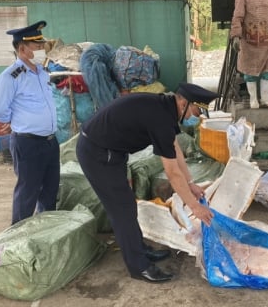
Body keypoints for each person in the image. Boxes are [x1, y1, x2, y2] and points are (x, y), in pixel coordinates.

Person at [75, 82, 217, 283]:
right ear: (184, 102)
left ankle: (139, 249)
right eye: (196, 110)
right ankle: (138, 266)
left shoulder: (166, 110)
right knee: (122, 209)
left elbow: (174, 149)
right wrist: (195, 207)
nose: (196, 116)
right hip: (97, 153)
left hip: (111, 150)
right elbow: (172, 172)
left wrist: (191, 182)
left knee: (127, 206)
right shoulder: (160, 118)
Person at [0, 21, 60, 225]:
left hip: (50, 141)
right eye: (37, 46)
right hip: (28, 144)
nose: (41, 49)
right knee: (27, 193)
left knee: (50, 190)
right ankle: (18, 237)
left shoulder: (42, 72)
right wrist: (11, 120)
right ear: (22, 48)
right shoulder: (11, 76)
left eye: (41, 45)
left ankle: (45, 232)